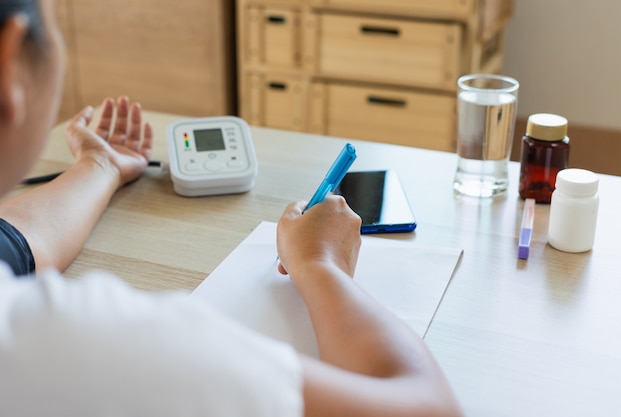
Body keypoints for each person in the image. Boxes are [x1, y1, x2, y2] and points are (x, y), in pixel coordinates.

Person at [0, 1, 462, 416]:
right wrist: (322, 266)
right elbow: (429, 408)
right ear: (11, 63)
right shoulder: (85, 345)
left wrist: (100, 164)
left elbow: (12, 243)